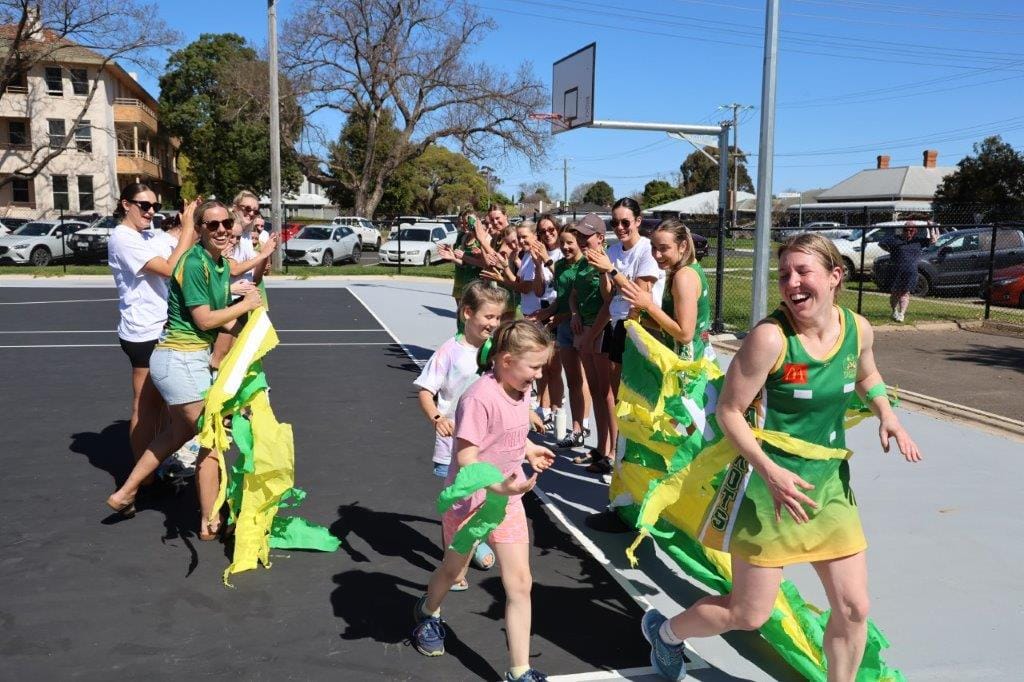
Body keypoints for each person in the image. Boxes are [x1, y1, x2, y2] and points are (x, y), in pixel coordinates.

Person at [641, 233, 922, 681]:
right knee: (748, 614)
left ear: (835, 277)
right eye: (784, 274)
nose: (791, 282)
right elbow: (730, 413)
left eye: (802, 271)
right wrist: (770, 471)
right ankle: (667, 632)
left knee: (854, 608)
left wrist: (887, 414)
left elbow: (866, 374)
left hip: (829, 486)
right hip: (768, 491)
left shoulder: (858, 328)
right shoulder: (770, 339)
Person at [105, 200, 265, 540]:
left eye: (226, 224)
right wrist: (246, 305)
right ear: (200, 229)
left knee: (178, 434)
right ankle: (210, 523)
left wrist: (245, 315)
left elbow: (223, 321)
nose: (222, 230)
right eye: (212, 225)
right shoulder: (195, 263)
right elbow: (205, 319)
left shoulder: (219, 264)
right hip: (178, 359)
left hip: (188, 358)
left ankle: (125, 492)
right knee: (212, 440)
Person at [412, 320, 556, 682]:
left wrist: (531, 449)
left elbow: (511, 434)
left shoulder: (519, 389)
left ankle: (519, 670)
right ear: (506, 361)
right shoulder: (479, 397)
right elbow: (467, 460)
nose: (538, 376)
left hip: (507, 501)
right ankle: (429, 612)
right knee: (452, 572)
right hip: (471, 501)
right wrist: (499, 487)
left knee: (520, 583)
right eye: (534, 367)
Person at [414, 280, 508, 586]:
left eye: (498, 318)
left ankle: (473, 542)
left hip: (489, 442)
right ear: (467, 312)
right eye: (488, 317)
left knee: (483, 498)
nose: (494, 324)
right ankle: (453, 564)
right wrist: (437, 416)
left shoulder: (497, 352)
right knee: (459, 504)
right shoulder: (450, 351)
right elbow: (426, 392)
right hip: (455, 443)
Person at [106, 184, 196, 472]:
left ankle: (155, 465)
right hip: (142, 332)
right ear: (125, 204)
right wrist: (188, 227)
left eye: (155, 206)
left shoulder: (146, 236)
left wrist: (188, 224)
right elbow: (171, 268)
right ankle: (142, 478)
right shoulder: (123, 239)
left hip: (158, 328)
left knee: (161, 407)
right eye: (144, 206)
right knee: (145, 408)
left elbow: (182, 245)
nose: (151, 211)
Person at [619, 219, 716, 363]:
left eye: (664, 248)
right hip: (695, 358)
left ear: (682, 246)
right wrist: (643, 315)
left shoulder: (684, 277)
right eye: (653, 247)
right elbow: (672, 325)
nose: (656, 255)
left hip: (689, 367)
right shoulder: (688, 268)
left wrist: (649, 306)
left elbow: (685, 334)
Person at [534, 224, 591, 448]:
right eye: (563, 242)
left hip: (582, 327)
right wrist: (546, 313)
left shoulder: (586, 266)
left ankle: (584, 424)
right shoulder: (559, 267)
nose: (566, 247)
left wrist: (561, 316)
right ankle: (576, 429)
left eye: (571, 243)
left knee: (585, 379)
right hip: (565, 328)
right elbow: (562, 298)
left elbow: (585, 302)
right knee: (573, 379)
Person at [569, 214, 615, 474]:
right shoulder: (583, 263)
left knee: (607, 394)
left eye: (587, 236)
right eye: (580, 235)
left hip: (601, 331)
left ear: (600, 237)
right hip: (585, 330)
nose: (582, 240)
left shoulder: (603, 262)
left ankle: (611, 452)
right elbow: (575, 294)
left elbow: (609, 304)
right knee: (596, 392)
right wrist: (575, 314)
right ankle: (600, 446)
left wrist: (590, 336)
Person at [879, 221, 938, 322]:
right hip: (896, 270)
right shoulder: (895, 239)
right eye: (906, 230)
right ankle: (894, 311)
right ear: (903, 230)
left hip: (910, 271)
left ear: (915, 231)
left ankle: (902, 314)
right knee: (895, 293)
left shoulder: (918, 241)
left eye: (911, 231)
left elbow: (934, 240)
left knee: (905, 293)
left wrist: (931, 227)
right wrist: (891, 251)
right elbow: (881, 243)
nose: (909, 233)